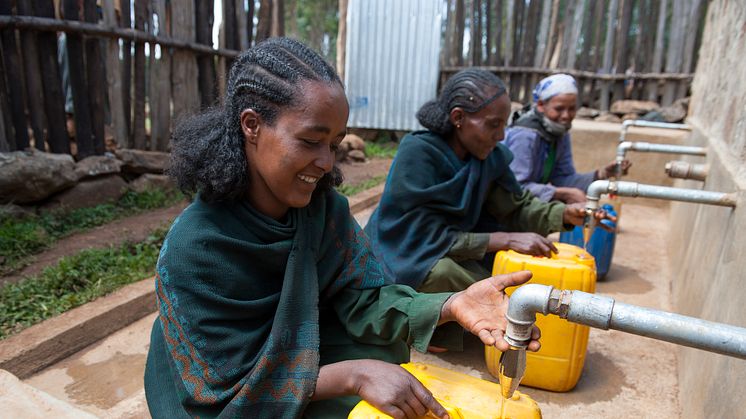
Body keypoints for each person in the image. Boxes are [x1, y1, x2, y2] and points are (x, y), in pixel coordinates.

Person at [143, 38, 540, 419]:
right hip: (216, 395)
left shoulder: (321, 210)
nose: (327, 163)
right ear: (252, 126)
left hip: (285, 358)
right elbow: (225, 391)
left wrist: (449, 305)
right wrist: (353, 375)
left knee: (382, 354)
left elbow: (363, 299)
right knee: (371, 376)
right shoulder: (194, 248)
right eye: (311, 141)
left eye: (333, 145)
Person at [365, 69, 611, 293]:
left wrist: (565, 214)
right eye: (493, 125)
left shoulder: (488, 158)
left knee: (514, 278)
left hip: (451, 249)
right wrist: (503, 239)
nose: (502, 135)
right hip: (401, 253)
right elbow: (418, 236)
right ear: (458, 117)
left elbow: (518, 206)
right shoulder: (418, 153)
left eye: (504, 125)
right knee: (449, 276)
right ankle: (426, 328)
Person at [503, 74, 631, 204]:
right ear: (541, 105)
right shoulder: (525, 136)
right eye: (559, 109)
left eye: (572, 109)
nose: (566, 116)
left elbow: (563, 178)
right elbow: (515, 187)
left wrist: (601, 174)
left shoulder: (559, 133)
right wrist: (559, 193)